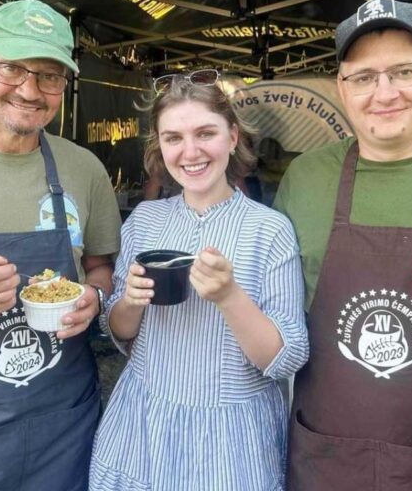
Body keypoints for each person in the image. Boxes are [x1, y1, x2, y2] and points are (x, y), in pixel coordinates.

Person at [274, 0, 412, 490]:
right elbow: (271, 313)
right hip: (326, 456)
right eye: (363, 77)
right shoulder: (304, 179)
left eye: (404, 71)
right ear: (342, 87)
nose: (385, 92)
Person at [89, 74, 309, 490]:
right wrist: (131, 301)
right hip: (143, 424)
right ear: (159, 146)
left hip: (232, 436)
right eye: (173, 138)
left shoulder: (269, 230)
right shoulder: (145, 221)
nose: (190, 152)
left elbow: (283, 359)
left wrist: (230, 297)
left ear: (232, 137)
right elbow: (119, 331)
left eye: (205, 133)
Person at [0, 0, 122, 490]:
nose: (30, 91)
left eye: (49, 76)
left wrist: (95, 297)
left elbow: (100, 267)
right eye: (12, 68)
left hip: (63, 422)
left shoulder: (84, 169)